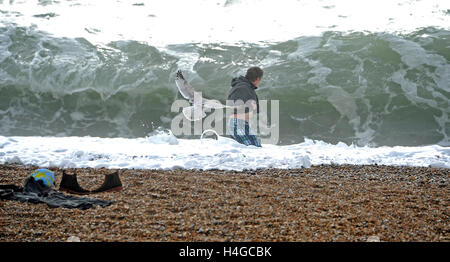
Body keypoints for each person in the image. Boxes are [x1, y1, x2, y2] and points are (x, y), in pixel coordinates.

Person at [226, 66, 263, 147]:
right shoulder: (242, 87)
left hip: (241, 124)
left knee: (255, 148)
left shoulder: (245, 87)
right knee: (253, 149)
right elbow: (234, 105)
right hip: (237, 124)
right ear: (258, 79)